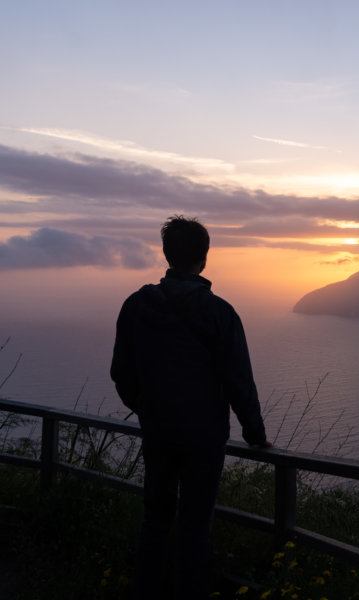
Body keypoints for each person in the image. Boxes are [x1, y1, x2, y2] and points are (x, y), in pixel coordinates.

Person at [111, 215, 270, 599]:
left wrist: (147, 409)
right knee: (196, 525)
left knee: (156, 516)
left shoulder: (135, 306)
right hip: (204, 437)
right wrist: (255, 434)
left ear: (167, 254)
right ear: (204, 258)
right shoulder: (219, 313)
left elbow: (121, 373)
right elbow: (239, 383)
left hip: (159, 431)